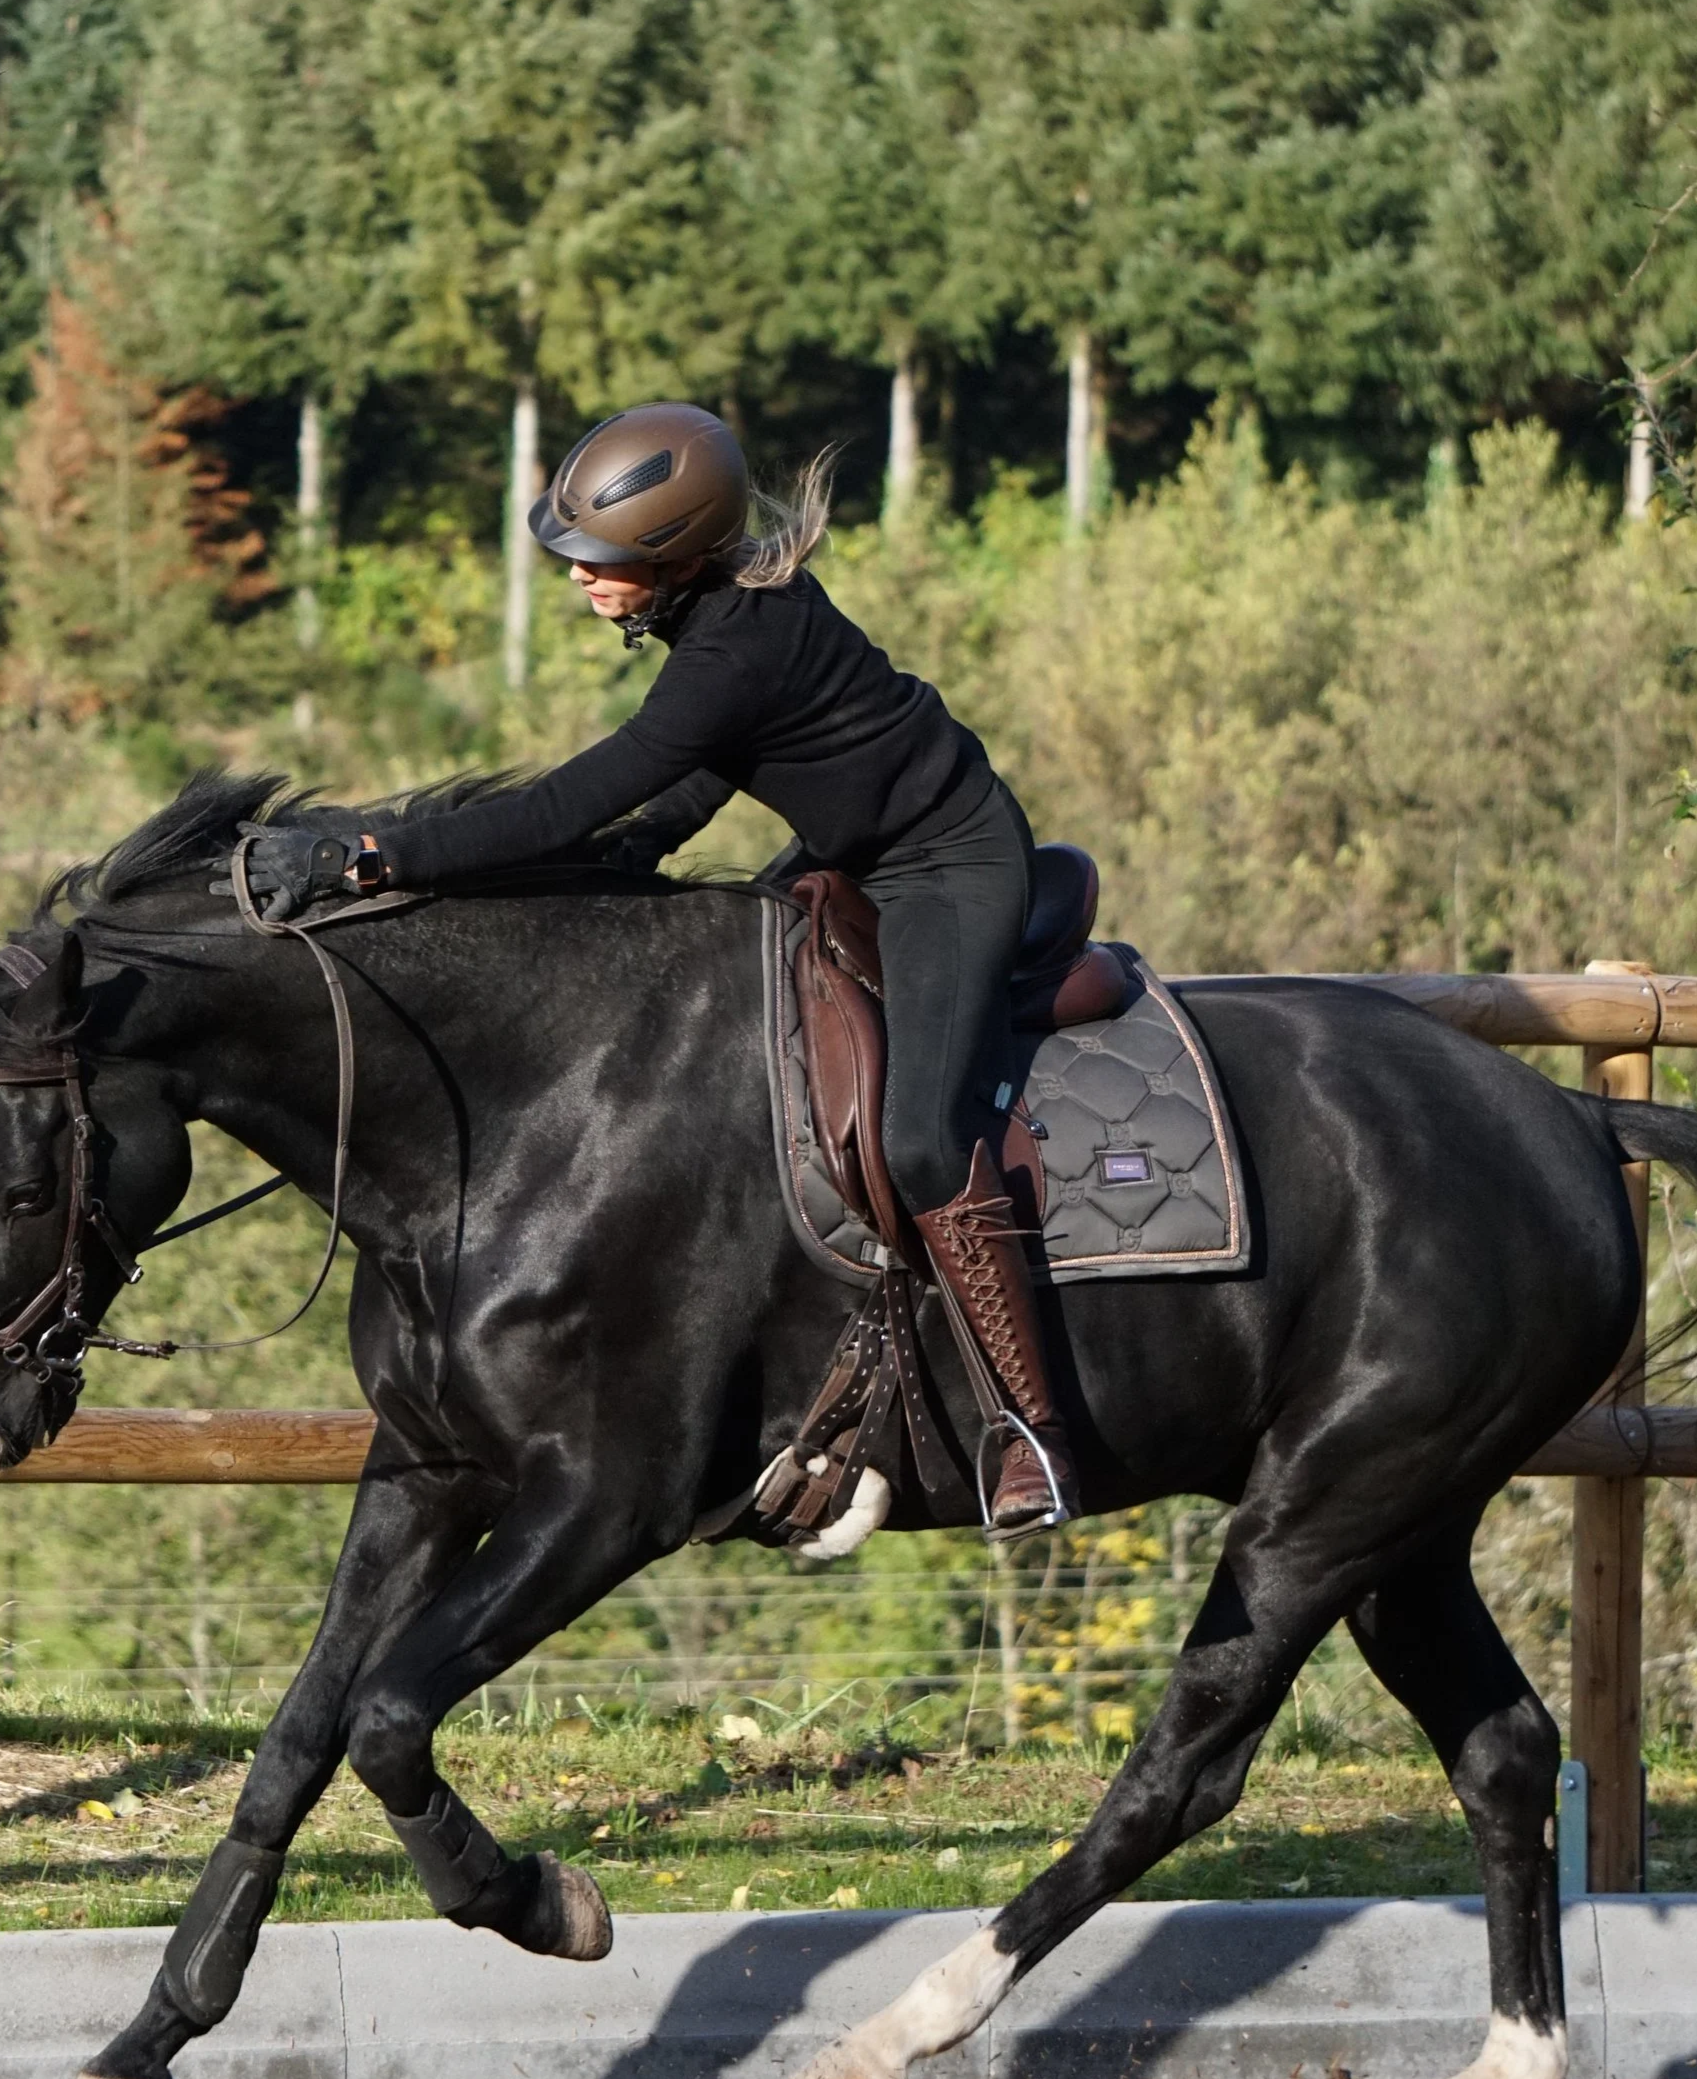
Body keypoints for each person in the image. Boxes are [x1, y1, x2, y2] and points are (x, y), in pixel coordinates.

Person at [239, 401, 1076, 1532]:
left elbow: (578, 792)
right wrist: (639, 851)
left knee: (920, 1136)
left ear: (679, 555)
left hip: (946, 867)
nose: (580, 578)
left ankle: (1029, 1429)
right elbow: (715, 761)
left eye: (601, 561)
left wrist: (369, 854)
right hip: (848, 850)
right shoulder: (725, 615)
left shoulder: (734, 643)